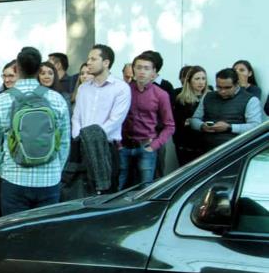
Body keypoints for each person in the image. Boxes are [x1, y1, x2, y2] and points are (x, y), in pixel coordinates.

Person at [0, 47, 71, 216]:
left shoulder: (0, 101)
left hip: (14, 179)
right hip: (49, 180)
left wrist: (5, 170)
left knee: (16, 235)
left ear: (16, 69)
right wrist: (56, 169)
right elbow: (64, 142)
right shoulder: (56, 99)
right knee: (45, 236)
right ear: (39, 70)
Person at [118, 53, 175, 188]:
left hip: (146, 145)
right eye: (138, 67)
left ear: (154, 72)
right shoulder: (124, 90)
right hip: (124, 145)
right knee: (119, 187)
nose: (142, 71)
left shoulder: (161, 94)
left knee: (146, 188)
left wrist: (154, 145)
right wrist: (118, 143)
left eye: (146, 68)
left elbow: (170, 125)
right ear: (133, 70)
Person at [190, 68, 264, 152]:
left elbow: (255, 127)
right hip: (206, 151)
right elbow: (194, 120)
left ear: (237, 84)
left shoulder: (250, 100)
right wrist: (202, 126)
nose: (222, 91)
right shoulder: (208, 96)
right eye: (219, 87)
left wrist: (230, 127)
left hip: (234, 151)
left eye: (227, 88)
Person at [72, 44, 131, 148]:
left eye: (93, 59)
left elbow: (115, 121)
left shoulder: (121, 88)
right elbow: (76, 117)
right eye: (88, 59)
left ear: (106, 63)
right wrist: (78, 137)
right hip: (81, 144)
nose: (88, 62)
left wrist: (91, 137)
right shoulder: (83, 88)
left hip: (106, 145)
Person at [171, 66, 208, 165]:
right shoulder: (180, 98)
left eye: (203, 79)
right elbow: (179, 122)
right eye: (197, 79)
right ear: (189, 80)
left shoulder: (211, 97)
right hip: (186, 144)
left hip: (206, 143)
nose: (201, 82)